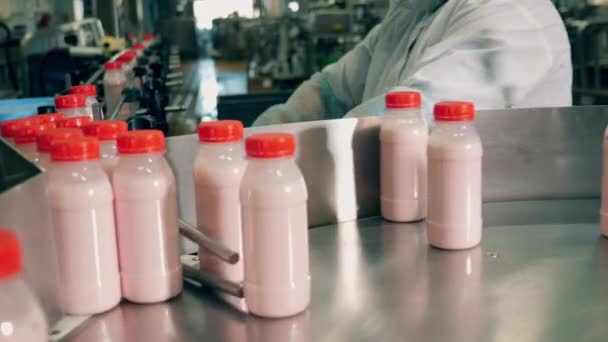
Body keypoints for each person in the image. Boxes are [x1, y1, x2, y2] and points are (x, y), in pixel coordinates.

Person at [253, 0, 572, 126]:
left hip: (502, 237)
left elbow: (404, 120)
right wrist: (260, 136)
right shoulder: (408, 14)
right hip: (405, 215)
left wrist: (286, 155)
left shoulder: (511, 12)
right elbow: (331, 91)